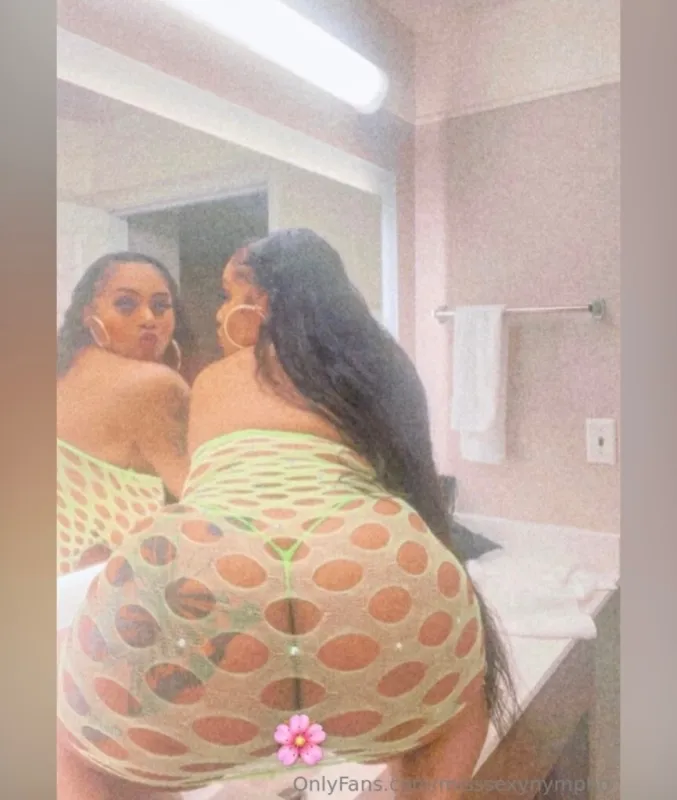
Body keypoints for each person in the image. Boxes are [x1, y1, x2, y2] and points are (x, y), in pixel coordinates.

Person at [57, 230, 514, 799]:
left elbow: (200, 492)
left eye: (229, 294)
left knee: (75, 745)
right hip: (369, 563)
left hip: (219, 573)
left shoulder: (215, 379)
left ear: (262, 302)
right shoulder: (380, 366)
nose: (219, 312)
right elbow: (420, 496)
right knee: (455, 710)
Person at [56, 252, 194, 575]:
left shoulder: (57, 369)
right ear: (89, 314)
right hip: (114, 587)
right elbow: (204, 500)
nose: (148, 318)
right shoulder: (155, 385)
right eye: (126, 304)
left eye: (161, 306)